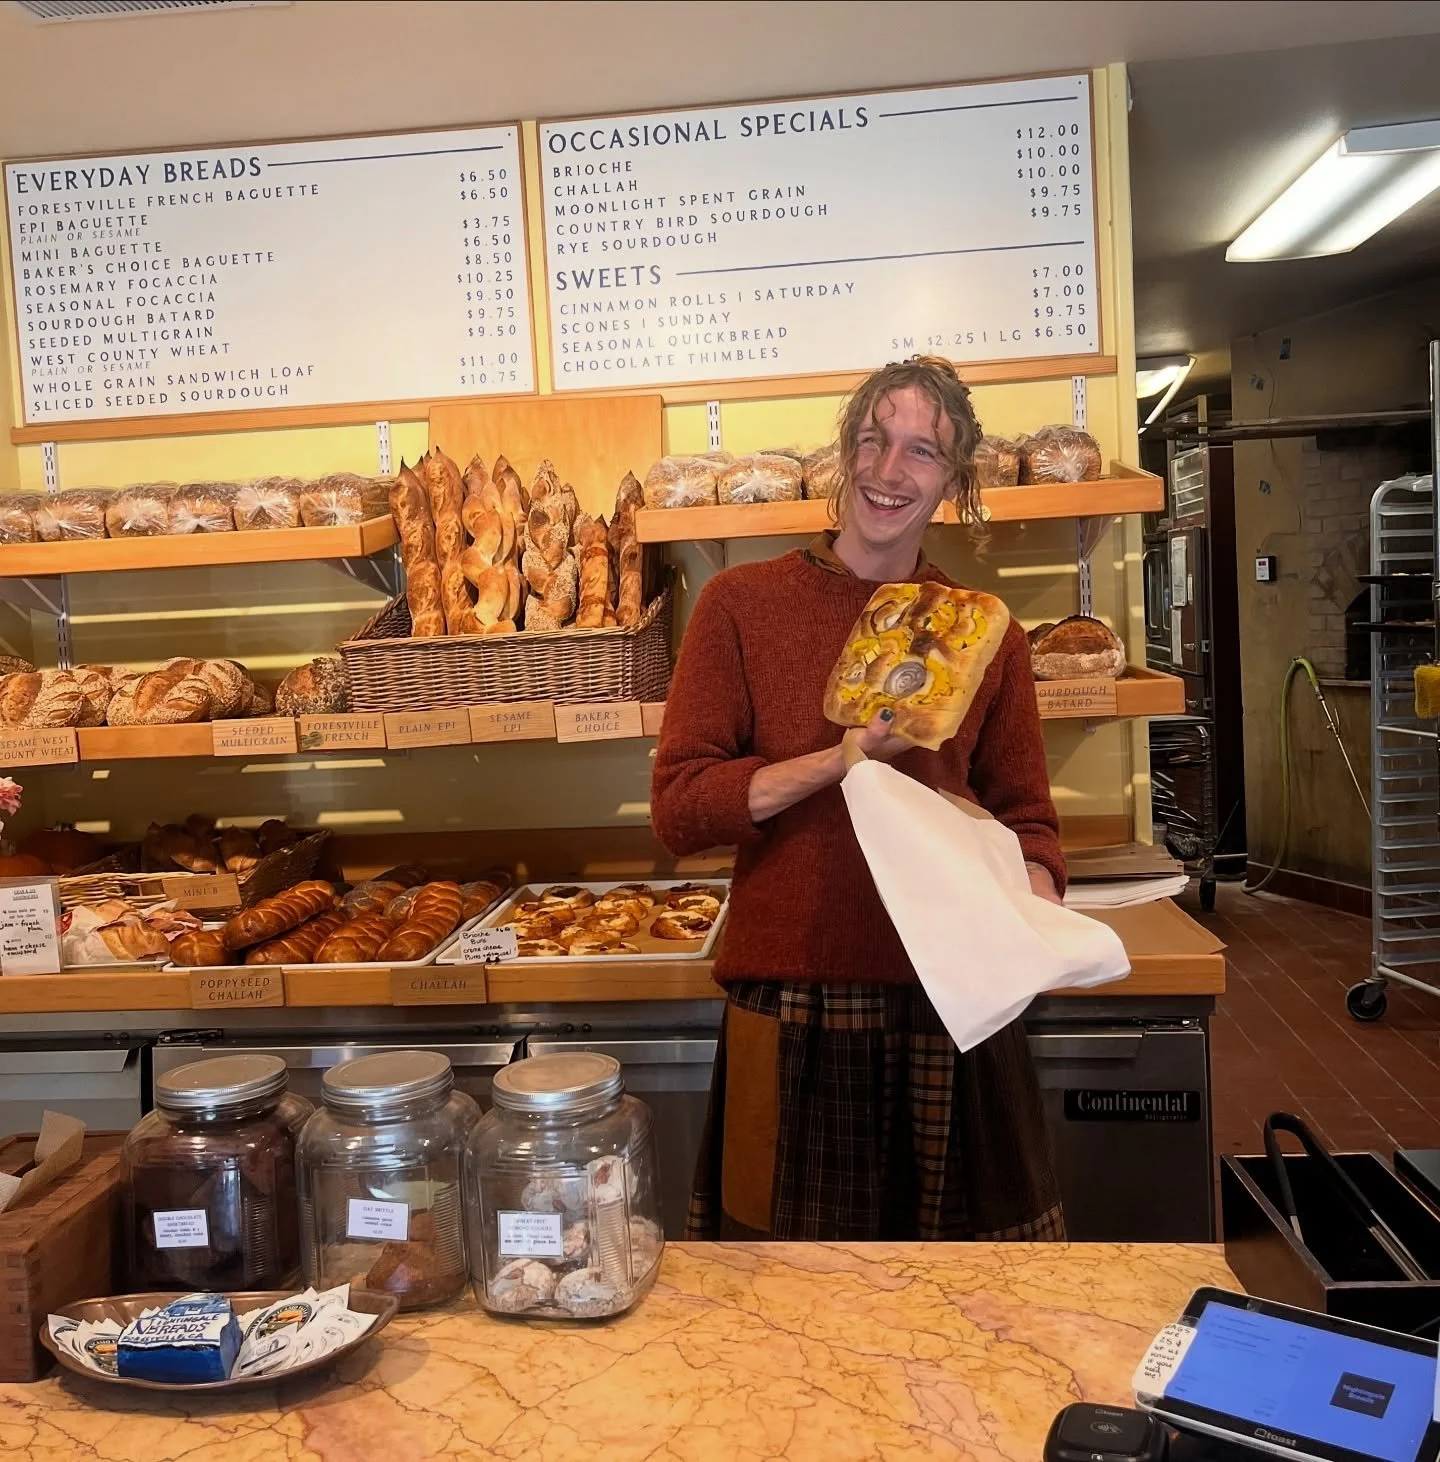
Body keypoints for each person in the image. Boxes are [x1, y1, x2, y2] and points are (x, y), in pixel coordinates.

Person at [650, 356, 1066, 1242]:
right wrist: (839, 761)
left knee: (965, 1296)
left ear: (953, 482)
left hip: (953, 998)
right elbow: (681, 808)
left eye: (922, 451)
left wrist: (1038, 913)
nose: (889, 470)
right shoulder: (740, 605)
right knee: (788, 1296)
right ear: (845, 452)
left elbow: (1028, 820)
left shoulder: (982, 632)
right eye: (874, 440)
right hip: (793, 999)